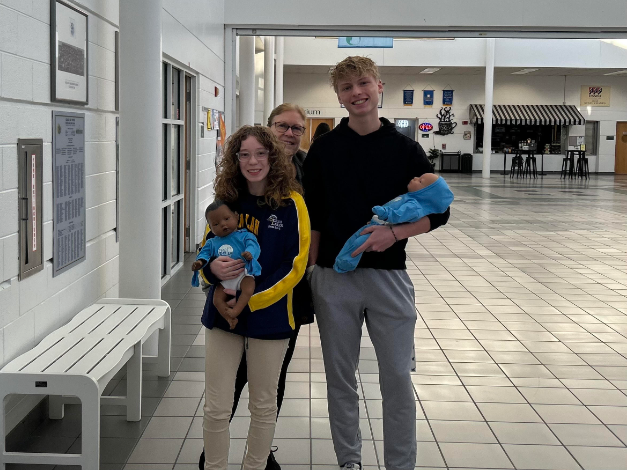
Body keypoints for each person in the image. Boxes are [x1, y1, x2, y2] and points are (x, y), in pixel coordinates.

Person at [303, 56, 451, 470]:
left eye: (363, 83)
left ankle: (399, 465)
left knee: (398, 380)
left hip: (389, 279)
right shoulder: (324, 149)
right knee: (340, 380)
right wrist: (311, 274)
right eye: (347, 88)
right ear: (338, 95)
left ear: (379, 86)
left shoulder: (406, 150)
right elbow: (313, 218)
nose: (357, 93)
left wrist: (394, 234)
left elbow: (438, 212)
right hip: (334, 279)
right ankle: (349, 462)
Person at [199, 104, 313, 470]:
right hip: (221, 310)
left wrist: (251, 299)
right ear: (235, 159)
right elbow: (205, 252)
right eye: (244, 154)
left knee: (263, 404)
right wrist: (211, 274)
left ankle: (254, 467)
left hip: (271, 314)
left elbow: (295, 263)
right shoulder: (226, 202)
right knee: (216, 406)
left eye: (260, 153)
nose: (253, 161)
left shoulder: (292, 202)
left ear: (272, 156)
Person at [334, 173, 454, 273]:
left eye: (420, 181)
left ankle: (347, 263)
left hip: (381, 234)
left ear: (425, 193)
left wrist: (386, 216)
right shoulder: (409, 198)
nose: (415, 178)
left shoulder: (413, 207)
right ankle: (341, 260)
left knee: (359, 244)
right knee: (354, 241)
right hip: (373, 224)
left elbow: (399, 215)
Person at [191, 200, 262, 326]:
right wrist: (200, 262)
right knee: (217, 300)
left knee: (249, 288)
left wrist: (249, 253)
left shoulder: (244, 235)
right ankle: (229, 318)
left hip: (243, 274)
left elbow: (253, 245)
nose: (223, 224)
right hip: (224, 281)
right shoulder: (212, 242)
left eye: (227, 218)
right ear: (211, 228)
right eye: (216, 224)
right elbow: (204, 253)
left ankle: (235, 311)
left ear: (236, 216)